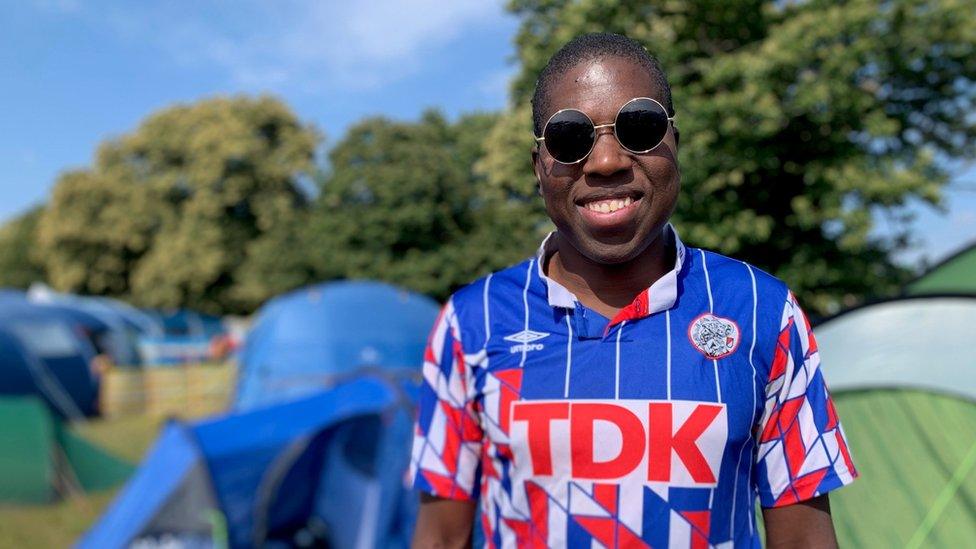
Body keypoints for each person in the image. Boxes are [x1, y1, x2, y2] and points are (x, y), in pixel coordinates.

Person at [410, 32, 857, 548]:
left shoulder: (763, 310)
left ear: (676, 145)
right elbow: (440, 538)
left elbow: (804, 541)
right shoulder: (473, 322)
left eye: (639, 127)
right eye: (570, 138)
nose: (605, 162)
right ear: (538, 169)